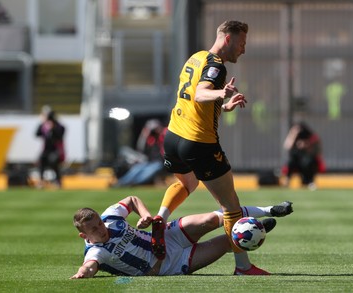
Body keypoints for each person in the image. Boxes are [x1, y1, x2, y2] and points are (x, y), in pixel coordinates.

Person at [150, 20, 270, 275]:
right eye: (242, 43)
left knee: (186, 184)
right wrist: (220, 94)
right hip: (198, 143)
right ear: (228, 39)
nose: (243, 49)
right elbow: (200, 94)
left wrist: (223, 106)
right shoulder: (216, 65)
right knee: (231, 206)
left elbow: (193, 98)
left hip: (173, 136)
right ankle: (243, 267)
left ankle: (160, 217)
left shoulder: (196, 58)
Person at [70, 195, 293, 278]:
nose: (102, 228)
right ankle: (255, 229)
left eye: (99, 222)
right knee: (230, 241)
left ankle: (269, 209)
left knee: (215, 218)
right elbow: (89, 267)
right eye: (95, 229)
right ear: (84, 235)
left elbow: (131, 200)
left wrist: (147, 216)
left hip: (166, 237)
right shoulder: (96, 252)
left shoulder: (110, 218)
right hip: (169, 264)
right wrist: (81, 273)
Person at [114, 119, 166, 187]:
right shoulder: (151, 138)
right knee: (137, 169)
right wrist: (145, 134)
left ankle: (134, 183)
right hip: (149, 161)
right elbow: (141, 148)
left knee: (149, 171)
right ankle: (122, 182)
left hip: (161, 163)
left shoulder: (164, 134)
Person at [282, 121, 325, 190]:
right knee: (291, 161)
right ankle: (287, 180)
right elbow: (287, 146)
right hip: (297, 160)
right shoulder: (294, 136)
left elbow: (316, 150)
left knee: (308, 162)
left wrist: (305, 145)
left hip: (307, 159)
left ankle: (309, 182)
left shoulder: (310, 136)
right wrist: (293, 134)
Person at [35, 106, 66, 188]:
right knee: (41, 160)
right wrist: (43, 124)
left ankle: (58, 180)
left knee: (53, 161)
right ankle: (41, 180)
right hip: (46, 150)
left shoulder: (60, 127)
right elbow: (37, 134)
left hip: (56, 150)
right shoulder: (44, 126)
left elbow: (59, 137)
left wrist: (53, 128)